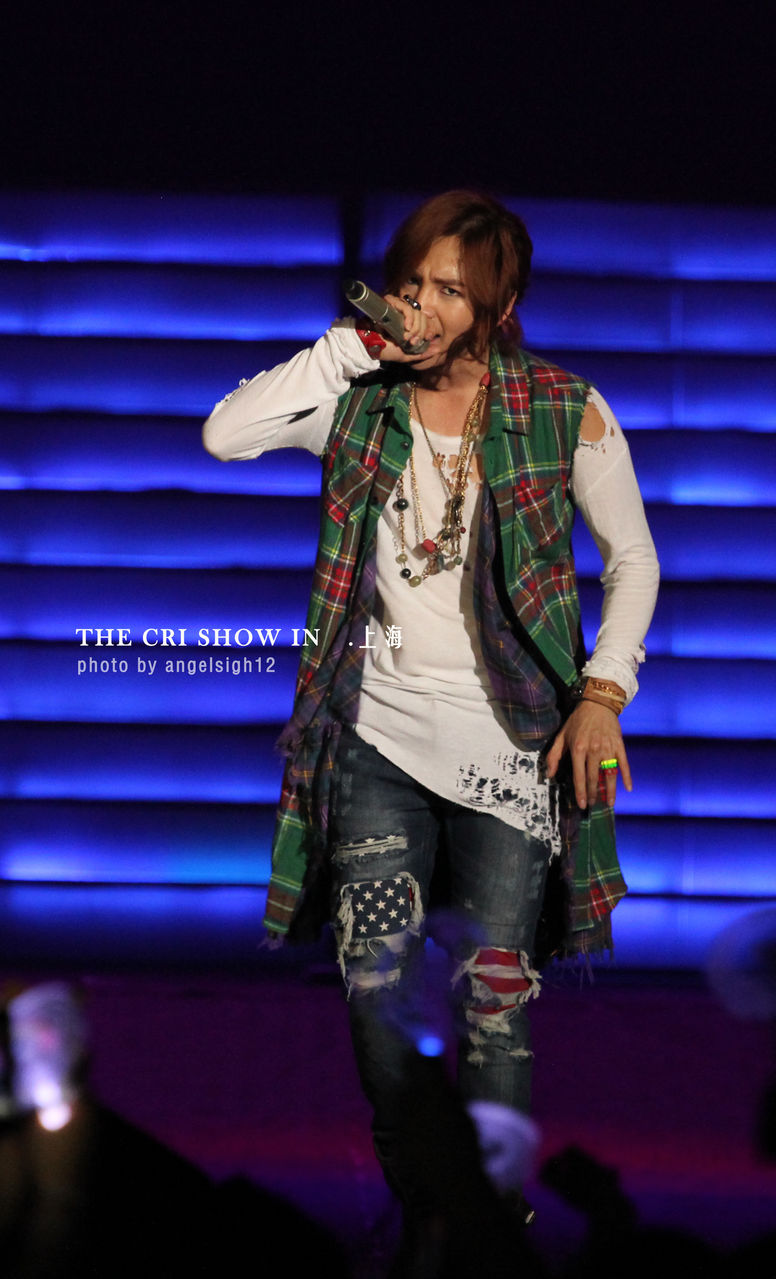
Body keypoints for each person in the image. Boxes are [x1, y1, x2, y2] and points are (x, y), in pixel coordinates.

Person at [202, 190, 659, 1224]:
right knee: (375, 992)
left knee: (492, 1004)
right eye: (412, 282)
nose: (423, 304)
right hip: (376, 739)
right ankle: (430, 1215)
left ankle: (491, 1226)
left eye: (450, 289)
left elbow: (631, 558)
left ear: (499, 306)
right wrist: (347, 346)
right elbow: (226, 434)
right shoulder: (360, 399)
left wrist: (603, 691)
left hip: (513, 750)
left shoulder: (564, 408)